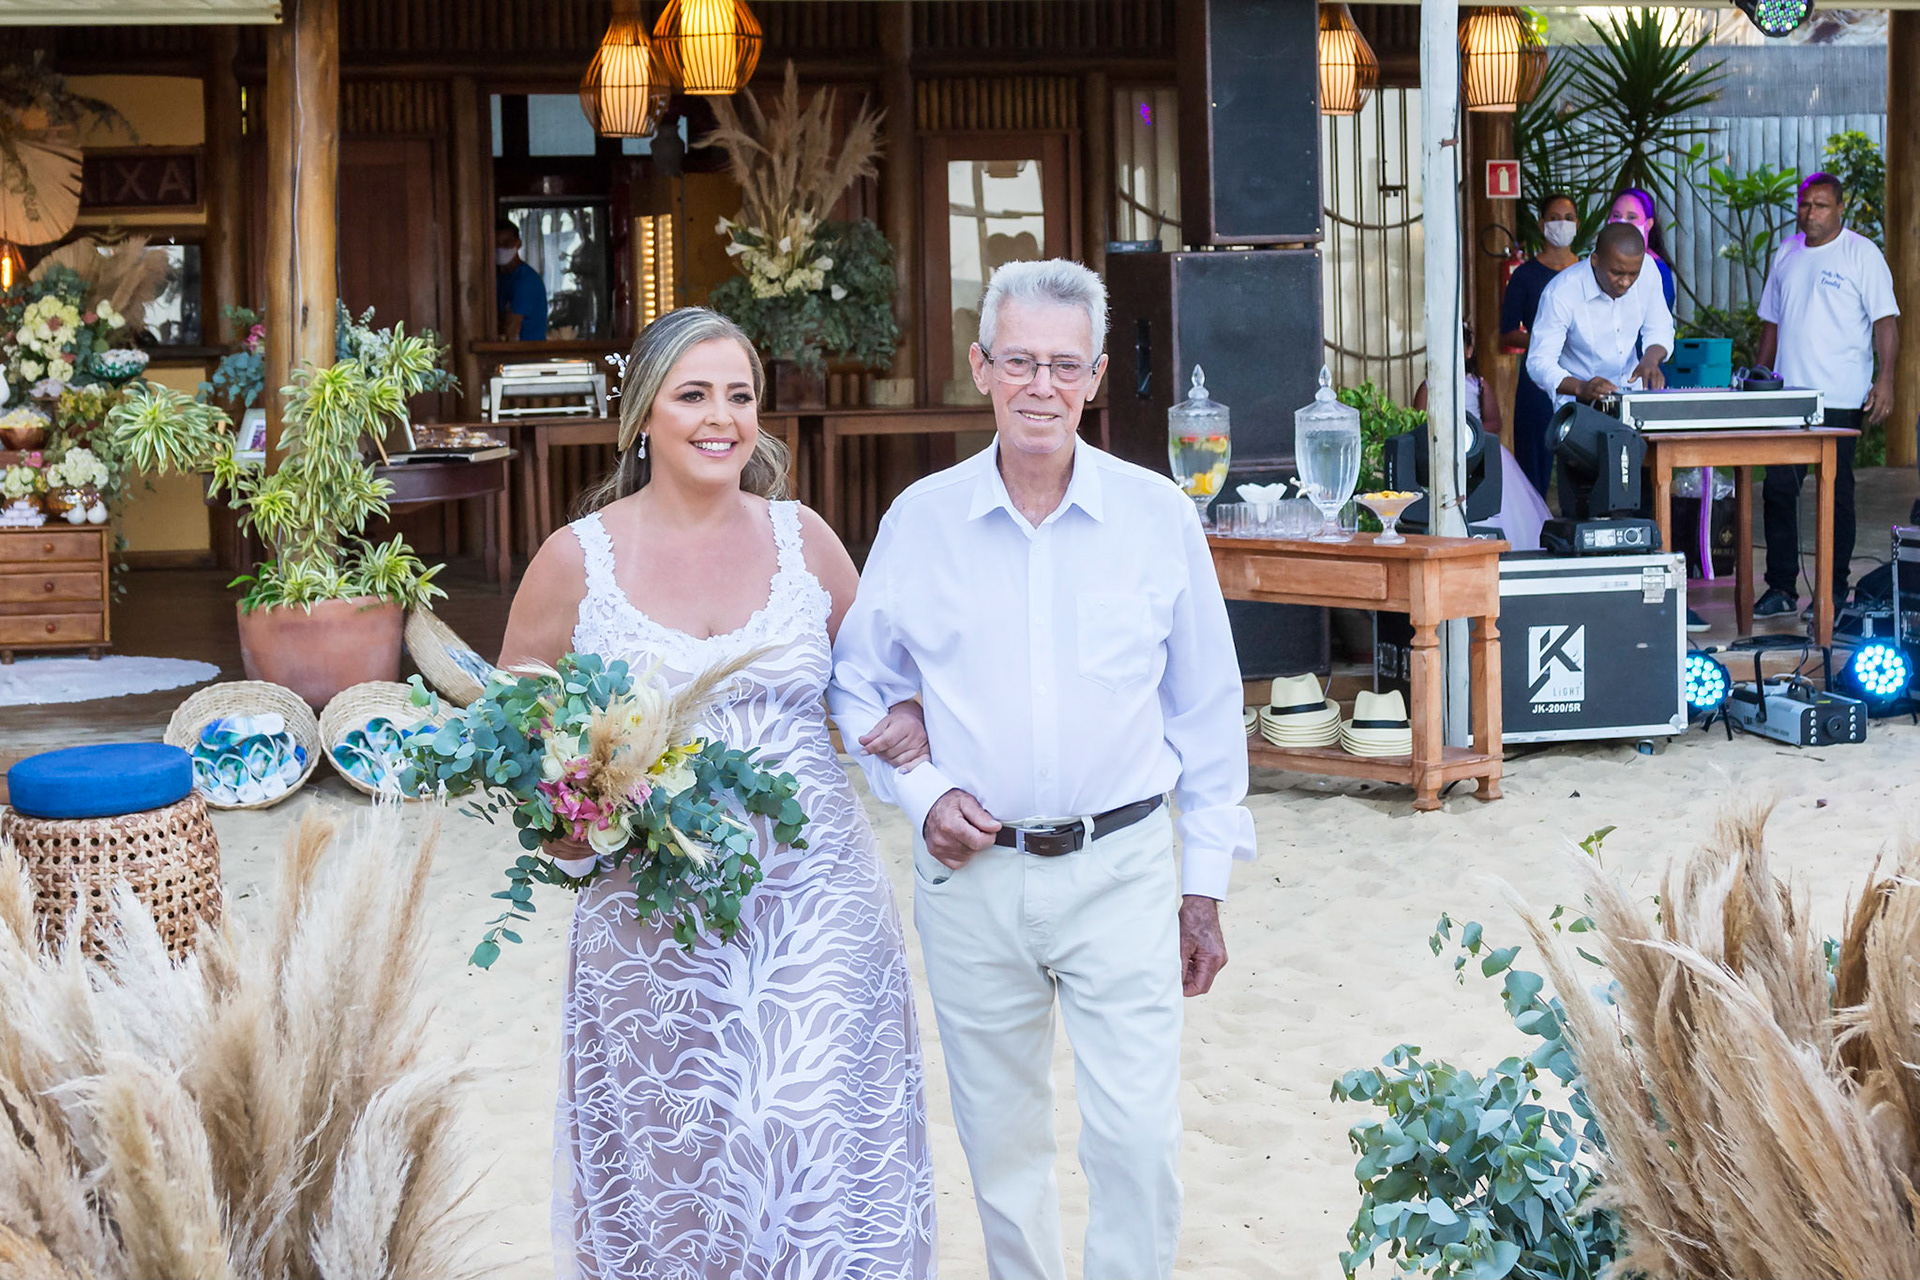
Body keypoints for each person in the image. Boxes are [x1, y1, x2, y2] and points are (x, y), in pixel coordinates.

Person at [831, 259, 1255, 1280]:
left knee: (1138, 1144)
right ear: (981, 366)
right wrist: (923, 792)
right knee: (1004, 1154)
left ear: (1097, 375)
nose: (1039, 384)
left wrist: (1204, 888)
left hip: (1124, 871)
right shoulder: (919, 522)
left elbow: (1207, 713)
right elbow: (855, 689)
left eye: (1063, 364)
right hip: (973, 883)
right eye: (1018, 359)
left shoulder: (1158, 518)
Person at [499, 307, 937, 1274]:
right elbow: (515, 742)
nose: (720, 418)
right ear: (643, 414)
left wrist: (913, 722)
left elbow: (882, 691)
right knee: (683, 1160)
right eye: (693, 394)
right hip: (653, 921)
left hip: (816, 901)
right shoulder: (577, 560)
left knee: (815, 1145)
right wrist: (567, 818)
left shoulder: (807, 541)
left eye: (739, 396)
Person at [1753, 172, 1899, 619]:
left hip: (1839, 394)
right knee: (1778, 489)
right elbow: (1771, 323)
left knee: (1836, 493)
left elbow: (1885, 321)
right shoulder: (1786, 253)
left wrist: (1886, 379)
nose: (1809, 213)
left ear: (1839, 209)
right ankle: (1780, 587)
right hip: (1787, 395)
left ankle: (1831, 592)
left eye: (1820, 206)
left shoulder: (1861, 254)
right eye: (1804, 204)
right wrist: (1759, 377)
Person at [1499, 192, 1581, 495]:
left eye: (1568, 218)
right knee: (1534, 462)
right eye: (1555, 218)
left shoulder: (1586, 273)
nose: (1562, 224)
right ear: (1541, 223)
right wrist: (1545, 338)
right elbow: (1506, 332)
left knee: (1581, 457)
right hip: (1536, 382)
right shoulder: (1525, 276)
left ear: (1578, 223)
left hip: (1580, 375)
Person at [1606, 188, 1676, 312]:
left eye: (1631, 217)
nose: (1622, 222)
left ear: (1649, 224)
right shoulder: (1600, 261)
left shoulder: (1659, 271)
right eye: (1616, 216)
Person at [496, 218, 548, 341]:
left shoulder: (526, 280)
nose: (500, 248)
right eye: (496, 244)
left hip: (528, 355)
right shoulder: (500, 278)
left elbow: (510, 330)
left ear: (518, 244)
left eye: (506, 243)